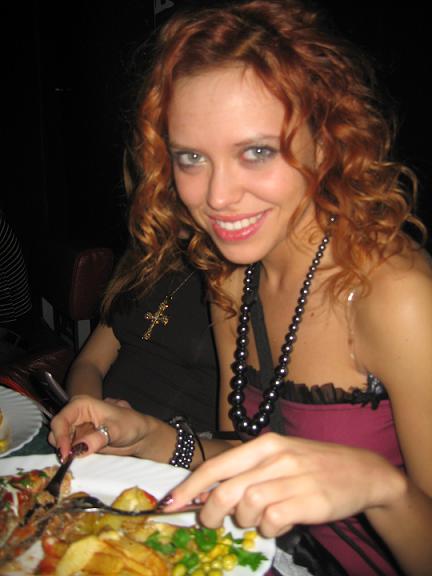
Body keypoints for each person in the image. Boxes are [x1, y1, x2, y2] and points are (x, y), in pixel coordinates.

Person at [49, 1, 432, 574]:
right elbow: (249, 456)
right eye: (191, 158)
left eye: (256, 152)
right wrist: (150, 437)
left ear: (327, 139)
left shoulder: (398, 297)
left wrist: (384, 490)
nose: (218, 197)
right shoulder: (231, 274)